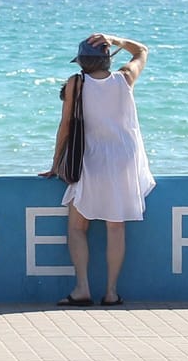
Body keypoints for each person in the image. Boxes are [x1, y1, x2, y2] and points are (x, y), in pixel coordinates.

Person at [41, 32, 155, 306]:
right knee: (116, 227)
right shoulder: (124, 78)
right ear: (107, 59)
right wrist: (114, 39)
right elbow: (142, 50)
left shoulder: (76, 84)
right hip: (124, 158)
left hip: (92, 158)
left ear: (81, 61)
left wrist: (55, 164)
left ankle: (82, 288)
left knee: (78, 227)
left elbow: (66, 126)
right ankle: (112, 292)